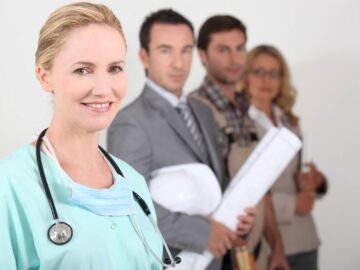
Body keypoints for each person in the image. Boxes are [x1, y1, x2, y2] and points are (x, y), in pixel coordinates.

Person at [0, 3, 167, 269]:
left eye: (114, 68)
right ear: (45, 77)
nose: (103, 89)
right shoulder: (10, 186)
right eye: (83, 70)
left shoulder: (132, 183)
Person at [107, 9, 256, 270]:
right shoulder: (129, 121)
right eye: (166, 50)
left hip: (216, 260)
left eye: (186, 50)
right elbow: (129, 203)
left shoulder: (202, 111)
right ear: (144, 56)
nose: (178, 63)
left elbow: (214, 183)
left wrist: (237, 214)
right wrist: (202, 234)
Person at [190, 15, 289, 270]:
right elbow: (194, 197)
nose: (234, 59)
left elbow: (261, 187)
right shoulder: (193, 112)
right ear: (203, 55)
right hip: (216, 254)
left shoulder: (247, 111)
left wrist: (276, 247)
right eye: (223, 50)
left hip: (251, 252)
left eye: (239, 48)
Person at [243, 44, 328, 270]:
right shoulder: (239, 125)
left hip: (304, 237)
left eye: (274, 73)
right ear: (246, 76)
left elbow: (300, 176)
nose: (266, 80)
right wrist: (291, 205)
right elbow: (244, 188)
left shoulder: (290, 123)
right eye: (258, 71)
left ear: (282, 80)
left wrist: (317, 182)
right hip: (267, 242)